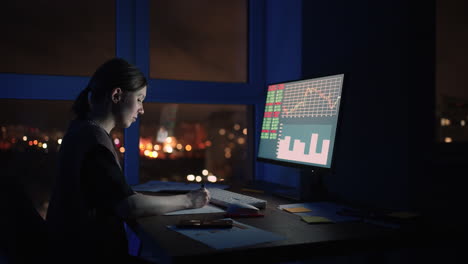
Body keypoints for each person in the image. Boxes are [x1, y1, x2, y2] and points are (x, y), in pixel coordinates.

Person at [46, 58, 210, 263]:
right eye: (140, 99)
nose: (141, 109)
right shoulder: (94, 142)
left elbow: (111, 194)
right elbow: (128, 206)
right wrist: (189, 200)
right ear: (117, 95)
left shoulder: (82, 129)